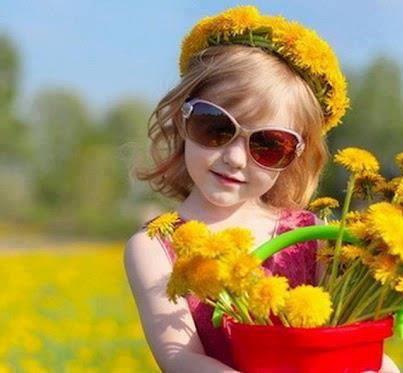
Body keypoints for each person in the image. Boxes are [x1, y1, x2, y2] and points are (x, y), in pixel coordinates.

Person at [124, 6, 399, 373]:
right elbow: (180, 358)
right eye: (216, 127)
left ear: (296, 157)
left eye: (269, 145)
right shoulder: (154, 249)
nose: (236, 158)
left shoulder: (309, 237)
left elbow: (340, 335)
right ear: (181, 120)